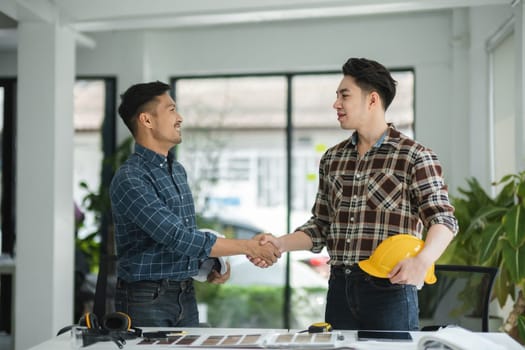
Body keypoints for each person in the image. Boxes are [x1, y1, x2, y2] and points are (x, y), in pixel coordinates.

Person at [251, 57, 458, 331]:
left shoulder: (414, 156)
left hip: (390, 290)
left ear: (372, 100)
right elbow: (321, 226)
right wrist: (279, 244)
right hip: (339, 287)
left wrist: (423, 261)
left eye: (344, 95)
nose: (336, 104)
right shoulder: (333, 158)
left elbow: (443, 220)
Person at [110, 81, 280, 327]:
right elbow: (176, 237)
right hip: (145, 299)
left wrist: (209, 264)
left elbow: (186, 235)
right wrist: (249, 247)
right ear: (146, 120)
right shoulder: (130, 178)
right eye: (171, 110)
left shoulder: (176, 170)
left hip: (185, 293)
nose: (179, 118)